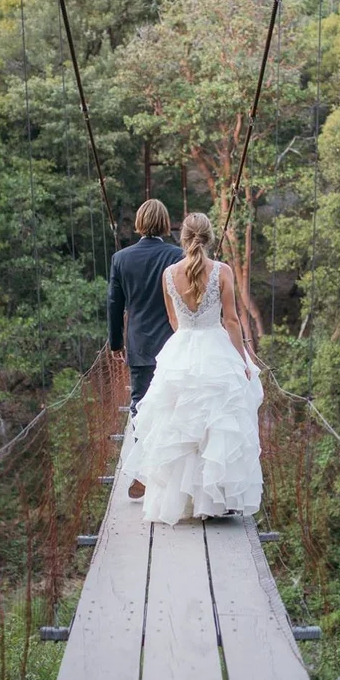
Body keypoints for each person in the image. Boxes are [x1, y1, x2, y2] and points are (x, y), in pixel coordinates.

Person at [116, 212, 263, 525]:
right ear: (209, 238)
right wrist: (242, 359)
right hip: (216, 347)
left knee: (180, 424)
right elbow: (232, 320)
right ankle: (215, 499)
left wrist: (187, 334)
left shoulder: (169, 274)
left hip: (181, 348)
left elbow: (173, 320)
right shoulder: (222, 271)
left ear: (182, 238)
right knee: (217, 424)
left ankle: (184, 500)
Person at [108, 199, 185, 498]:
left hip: (139, 343)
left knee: (140, 405)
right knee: (175, 406)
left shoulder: (121, 259)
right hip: (174, 343)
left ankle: (144, 471)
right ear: (166, 223)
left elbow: (115, 305)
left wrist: (116, 343)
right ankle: (172, 474)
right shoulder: (178, 256)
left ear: (139, 222)